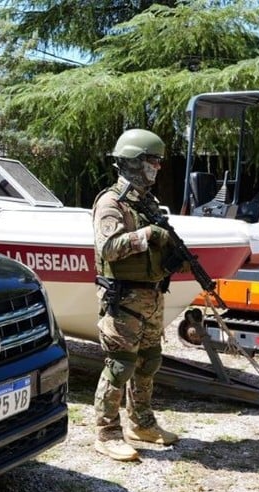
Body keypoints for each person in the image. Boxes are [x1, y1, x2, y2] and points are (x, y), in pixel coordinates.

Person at [91, 128, 181, 462]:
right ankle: (107, 432)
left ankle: (141, 423)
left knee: (150, 361)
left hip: (152, 295)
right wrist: (146, 235)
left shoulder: (146, 203)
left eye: (158, 161)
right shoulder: (111, 203)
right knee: (120, 365)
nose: (158, 167)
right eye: (152, 161)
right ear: (133, 162)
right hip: (124, 300)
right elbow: (109, 248)